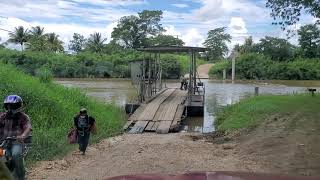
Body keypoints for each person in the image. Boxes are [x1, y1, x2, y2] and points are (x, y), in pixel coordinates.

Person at [0, 95, 32, 180]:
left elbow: (28, 127)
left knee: (16, 154)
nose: (10, 108)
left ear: (18, 106)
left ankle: (21, 176)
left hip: (17, 142)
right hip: (3, 142)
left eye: (13, 106)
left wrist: (22, 136)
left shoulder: (23, 117)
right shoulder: (2, 117)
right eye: (8, 106)